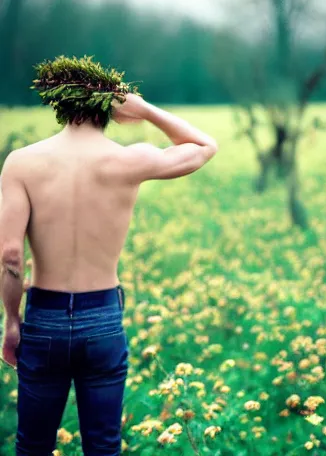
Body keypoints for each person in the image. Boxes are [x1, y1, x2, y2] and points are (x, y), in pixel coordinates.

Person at [0, 93, 218, 455]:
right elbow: (204, 146)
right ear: (111, 110)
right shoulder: (127, 159)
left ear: (60, 106)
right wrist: (145, 110)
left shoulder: (22, 163)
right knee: (103, 446)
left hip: (45, 319)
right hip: (102, 318)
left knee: (32, 446)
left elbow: (10, 256)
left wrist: (11, 320)